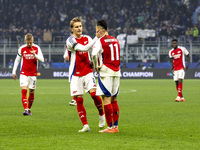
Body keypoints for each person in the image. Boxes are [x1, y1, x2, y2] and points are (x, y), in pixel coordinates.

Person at [66, 17, 105, 132]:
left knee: (94, 95)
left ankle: (101, 115)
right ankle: (85, 125)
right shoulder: (70, 40)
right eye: (76, 27)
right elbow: (83, 49)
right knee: (79, 100)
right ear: (72, 29)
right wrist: (96, 38)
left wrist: (94, 62)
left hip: (87, 72)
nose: (79, 28)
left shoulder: (87, 38)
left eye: (80, 26)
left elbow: (94, 52)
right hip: (75, 74)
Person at [92, 20, 120, 133]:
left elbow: (94, 54)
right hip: (117, 71)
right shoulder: (116, 40)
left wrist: (96, 66)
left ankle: (109, 127)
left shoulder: (100, 40)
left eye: (96, 31)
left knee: (106, 99)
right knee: (114, 99)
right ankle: (115, 127)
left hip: (106, 72)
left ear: (100, 31)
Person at [12, 33, 44, 115]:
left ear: (33, 40)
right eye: (28, 42)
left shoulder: (37, 48)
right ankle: (25, 109)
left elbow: (42, 60)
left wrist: (35, 55)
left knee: (31, 92)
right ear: (25, 41)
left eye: (31, 42)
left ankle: (29, 109)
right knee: (23, 91)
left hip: (33, 74)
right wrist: (13, 71)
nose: (29, 44)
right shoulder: (22, 48)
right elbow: (17, 60)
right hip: (24, 73)